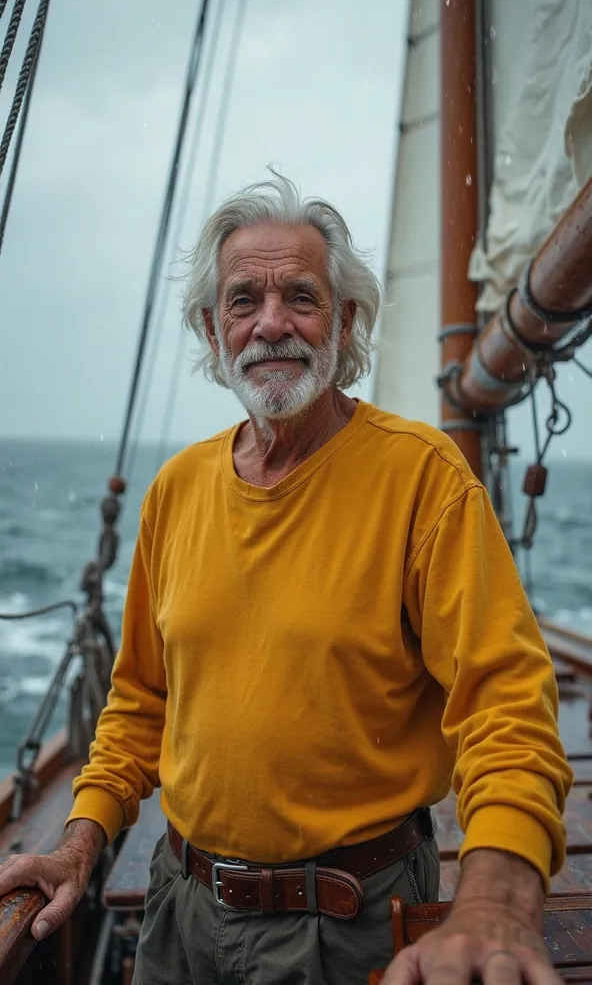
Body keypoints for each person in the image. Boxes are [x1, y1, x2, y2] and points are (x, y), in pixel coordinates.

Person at [0, 171, 572, 985]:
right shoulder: (177, 490)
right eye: (244, 301)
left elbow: (506, 703)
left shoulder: (422, 477)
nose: (272, 323)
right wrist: (79, 839)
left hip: (351, 924)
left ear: (345, 320)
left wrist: (498, 896)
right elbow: (139, 704)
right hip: (181, 910)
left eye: (301, 296)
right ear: (211, 327)